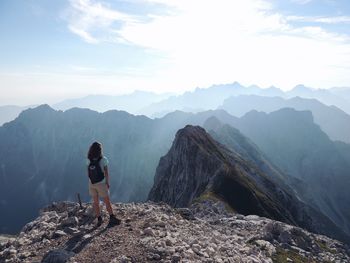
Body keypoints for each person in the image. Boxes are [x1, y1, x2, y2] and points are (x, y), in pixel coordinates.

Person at [87, 141, 120, 226]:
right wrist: (107, 183)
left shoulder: (88, 159)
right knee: (107, 201)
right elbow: (106, 172)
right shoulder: (103, 159)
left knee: (96, 202)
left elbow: (88, 172)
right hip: (101, 184)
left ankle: (99, 219)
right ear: (100, 150)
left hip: (91, 183)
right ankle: (112, 217)